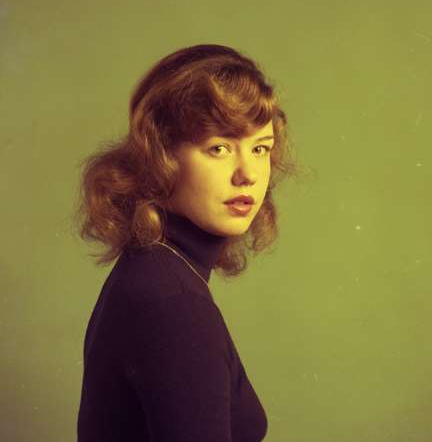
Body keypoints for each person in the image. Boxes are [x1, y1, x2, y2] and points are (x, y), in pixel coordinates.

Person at [73, 44, 304, 441]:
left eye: (260, 148)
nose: (248, 173)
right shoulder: (171, 300)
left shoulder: (153, 273)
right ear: (160, 156)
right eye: (219, 148)